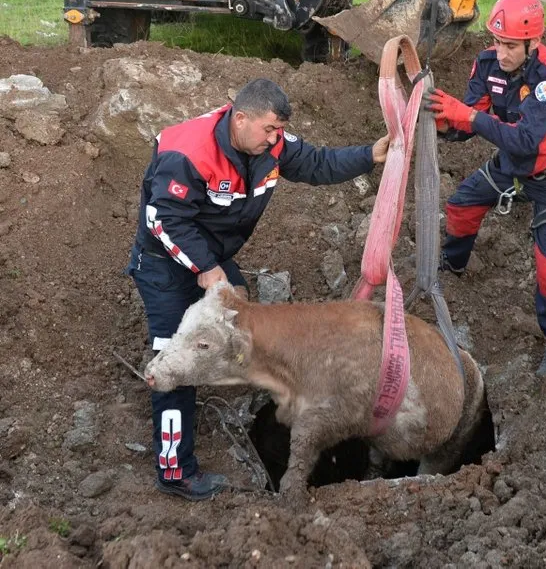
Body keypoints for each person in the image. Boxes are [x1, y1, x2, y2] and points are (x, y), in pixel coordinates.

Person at [126, 78, 390, 501]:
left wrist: (368, 156)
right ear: (240, 117)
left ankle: (238, 387)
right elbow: (164, 220)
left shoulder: (272, 143)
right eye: (269, 130)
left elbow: (318, 163)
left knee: (240, 310)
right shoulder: (188, 152)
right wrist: (208, 270)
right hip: (162, 264)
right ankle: (175, 471)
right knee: (175, 362)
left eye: (280, 131)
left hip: (209, 253)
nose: (276, 139)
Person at [425, 0, 546, 377]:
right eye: (496, 41)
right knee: (460, 206)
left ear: (534, 42)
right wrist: (440, 120)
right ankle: (453, 263)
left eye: (510, 45)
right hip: (510, 165)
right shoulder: (487, 64)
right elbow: (468, 119)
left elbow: (526, 140)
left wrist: (470, 119)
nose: (501, 52)